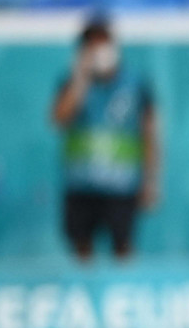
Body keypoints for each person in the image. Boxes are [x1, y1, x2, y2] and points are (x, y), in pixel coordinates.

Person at [52, 15, 159, 260]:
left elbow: (149, 133)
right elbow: (59, 119)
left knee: (123, 250)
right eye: (92, 46)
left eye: (103, 44)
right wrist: (81, 80)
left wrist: (150, 180)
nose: (99, 52)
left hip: (122, 185)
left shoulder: (136, 83)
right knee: (81, 250)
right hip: (81, 184)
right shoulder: (71, 82)